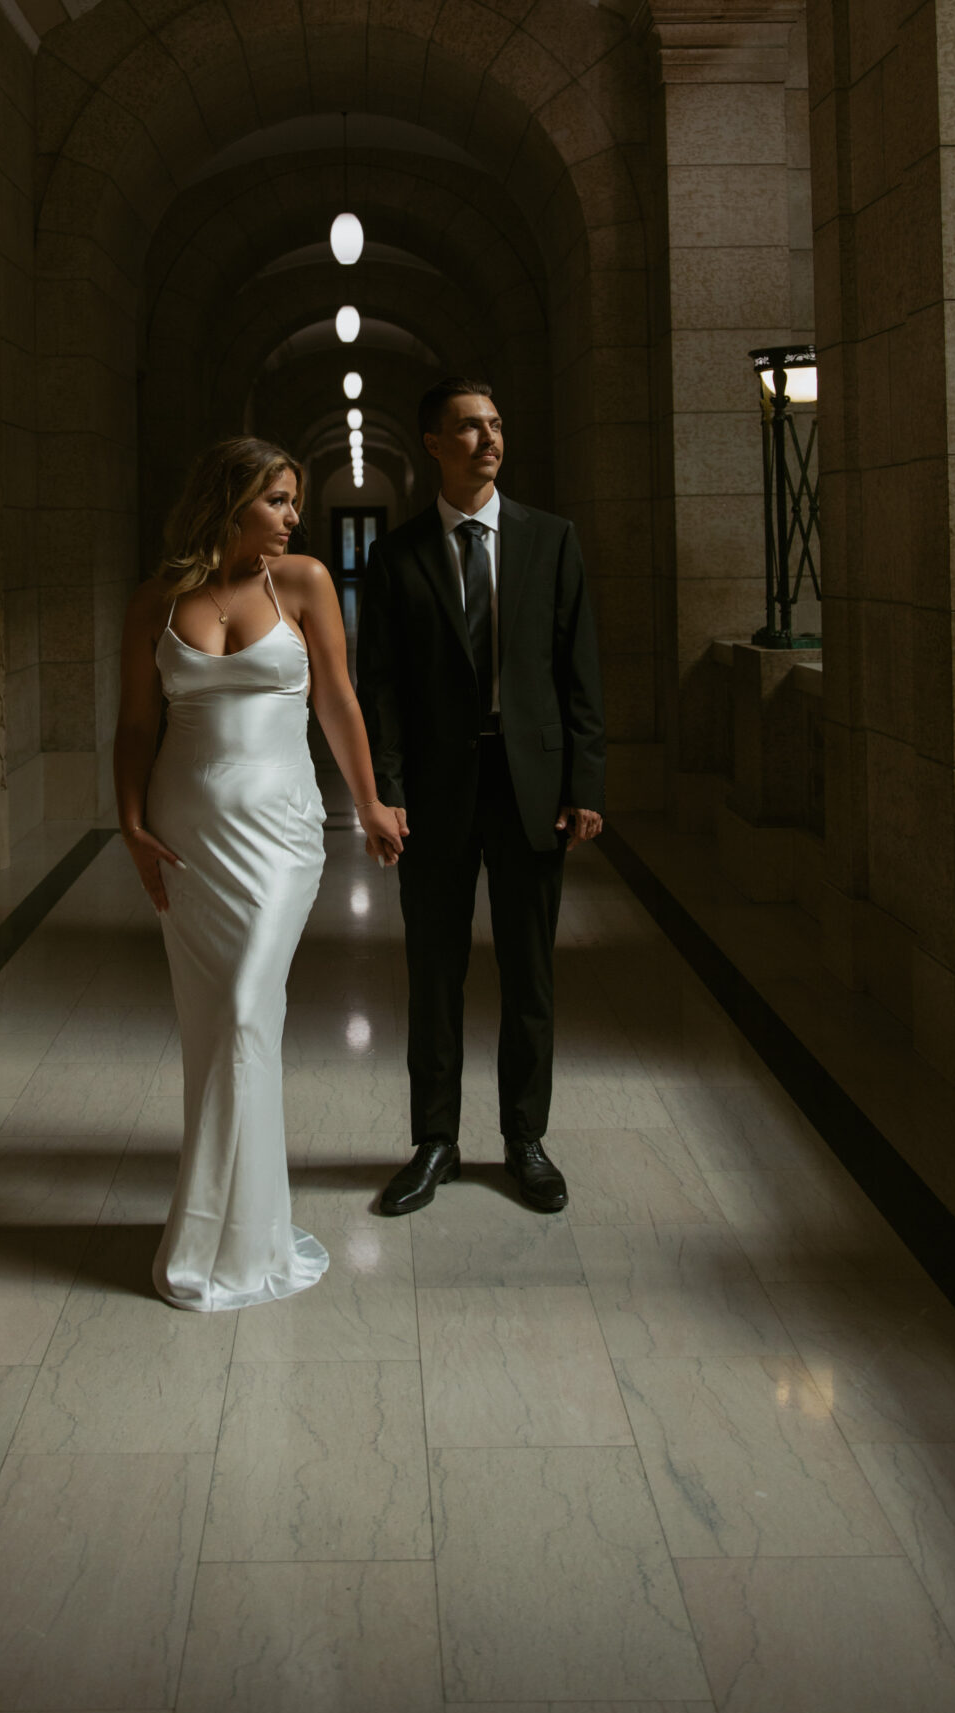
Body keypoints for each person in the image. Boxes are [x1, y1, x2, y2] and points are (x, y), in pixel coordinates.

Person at [115, 437, 405, 1310]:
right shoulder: (156, 599)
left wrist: (371, 803)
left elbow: (336, 701)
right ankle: (245, 1229)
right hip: (185, 836)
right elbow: (135, 725)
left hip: (280, 835)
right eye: (277, 500)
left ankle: (216, 1238)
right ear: (229, 498)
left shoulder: (307, 583)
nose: (292, 517)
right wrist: (128, 823)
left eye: (294, 502)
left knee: (245, 1007)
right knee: (217, 1031)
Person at [357, 378, 604, 1216]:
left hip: (531, 785)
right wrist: (383, 793)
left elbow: (578, 673)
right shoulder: (395, 556)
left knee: (530, 973)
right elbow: (379, 688)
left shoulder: (551, 540)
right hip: (432, 792)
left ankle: (524, 1140)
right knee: (434, 972)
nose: (488, 439)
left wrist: (586, 784)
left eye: (495, 424)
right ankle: (435, 1142)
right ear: (433, 442)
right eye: (467, 427)